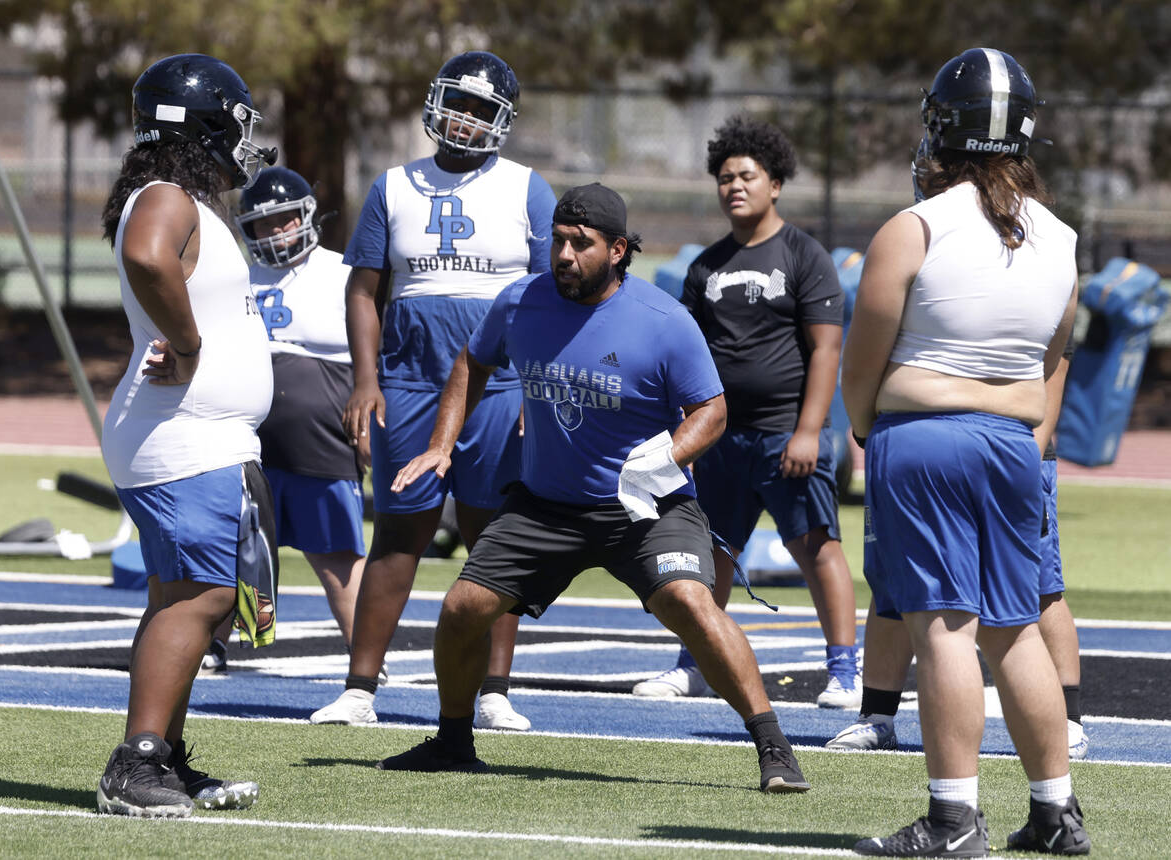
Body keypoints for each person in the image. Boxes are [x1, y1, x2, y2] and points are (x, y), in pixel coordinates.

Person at [377, 183, 811, 794]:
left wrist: (661, 460)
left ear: (619, 250)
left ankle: (774, 747)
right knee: (460, 610)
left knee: (690, 600)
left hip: (645, 505)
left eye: (581, 244)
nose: (564, 254)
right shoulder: (520, 302)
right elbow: (472, 363)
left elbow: (711, 413)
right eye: (557, 240)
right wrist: (440, 444)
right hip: (545, 507)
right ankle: (453, 740)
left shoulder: (663, 320)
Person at [842, 49, 1090, 856]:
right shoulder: (1061, 237)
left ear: (940, 127)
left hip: (925, 442)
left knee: (944, 629)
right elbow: (1051, 361)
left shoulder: (913, 227)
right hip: (1016, 446)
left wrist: (876, 420)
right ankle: (1056, 812)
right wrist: (1024, 426)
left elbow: (864, 370)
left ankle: (952, 818)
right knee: (1016, 628)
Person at [310, 51, 555, 731]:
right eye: (457, 102)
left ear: (502, 120)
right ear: (434, 100)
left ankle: (496, 691)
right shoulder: (393, 186)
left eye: (481, 110)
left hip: (500, 382)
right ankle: (361, 687)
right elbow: (363, 289)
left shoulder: (528, 188)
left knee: (496, 537)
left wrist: (536, 390)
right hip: (410, 379)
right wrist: (365, 380)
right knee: (398, 532)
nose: (465, 119)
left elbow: (549, 297)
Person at [96, 53, 277, 818]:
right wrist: (192, 342)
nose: (244, 140)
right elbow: (146, 256)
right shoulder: (167, 195)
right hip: (183, 434)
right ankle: (135, 765)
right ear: (206, 124)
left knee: (182, 594)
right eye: (235, 123)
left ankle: (162, 757)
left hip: (197, 433)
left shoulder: (176, 195)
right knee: (203, 595)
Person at [634, 115, 861, 708]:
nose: (734, 186)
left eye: (747, 176)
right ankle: (694, 664)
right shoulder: (705, 266)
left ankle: (844, 671)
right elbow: (678, 348)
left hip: (787, 434)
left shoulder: (805, 256)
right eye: (725, 178)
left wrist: (810, 430)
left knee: (816, 547)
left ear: (775, 184)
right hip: (720, 440)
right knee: (711, 551)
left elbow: (827, 348)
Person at [828, 342, 1090, 759]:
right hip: (916, 445)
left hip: (1009, 447)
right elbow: (868, 348)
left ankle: (1067, 720)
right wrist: (870, 433)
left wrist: (1028, 455)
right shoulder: (917, 276)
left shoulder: (1036, 277)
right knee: (895, 579)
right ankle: (877, 716)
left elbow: (1054, 365)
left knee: (1037, 586)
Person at [191, 167, 364, 671]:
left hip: (322, 440)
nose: (276, 232)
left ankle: (368, 659)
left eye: (285, 220)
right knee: (234, 550)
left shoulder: (343, 271)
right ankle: (217, 644)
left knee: (336, 561)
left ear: (307, 217)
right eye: (264, 224)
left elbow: (375, 357)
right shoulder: (236, 277)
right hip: (247, 439)